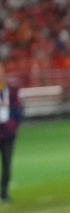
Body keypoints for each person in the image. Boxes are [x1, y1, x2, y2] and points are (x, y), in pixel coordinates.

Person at [0, 63, 23, 204]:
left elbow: (18, 110)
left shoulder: (11, 90)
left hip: (7, 135)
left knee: (7, 165)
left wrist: (12, 125)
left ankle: (4, 193)